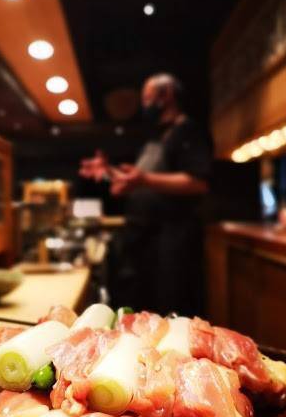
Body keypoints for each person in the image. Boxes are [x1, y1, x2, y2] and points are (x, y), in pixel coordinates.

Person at [80, 73, 211, 316]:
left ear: (167, 94)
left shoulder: (188, 131)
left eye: (148, 98)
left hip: (172, 240)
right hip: (144, 238)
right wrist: (109, 172)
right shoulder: (156, 137)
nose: (144, 105)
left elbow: (198, 182)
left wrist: (144, 180)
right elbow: (139, 179)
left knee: (170, 310)